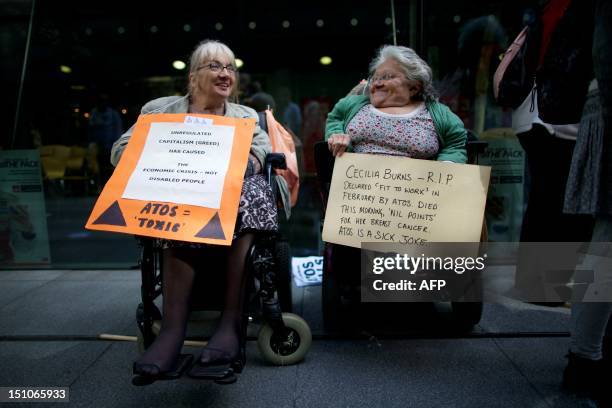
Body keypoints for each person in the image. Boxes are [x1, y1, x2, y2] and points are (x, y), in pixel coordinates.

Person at [111, 40, 282, 385]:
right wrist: (164, 159)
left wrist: (235, 166)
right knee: (182, 200)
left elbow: (263, 154)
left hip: (232, 199)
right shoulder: (160, 110)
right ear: (193, 77)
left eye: (230, 68)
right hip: (181, 197)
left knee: (252, 191)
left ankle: (231, 323)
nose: (225, 74)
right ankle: (173, 330)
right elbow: (120, 150)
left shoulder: (245, 116)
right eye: (215, 67)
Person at [326, 45, 467, 163]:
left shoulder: (437, 113)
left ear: (414, 87)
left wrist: (447, 167)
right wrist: (337, 135)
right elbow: (336, 118)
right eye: (375, 78)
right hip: (359, 189)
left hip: (414, 193)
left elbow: (455, 143)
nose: (377, 83)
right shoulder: (353, 104)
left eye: (388, 77)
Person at [88, 94, 123, 181]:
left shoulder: (113, 114)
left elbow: (118, 130)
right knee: (100, 168)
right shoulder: (94, 113)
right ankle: (101, 186)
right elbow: (90, 129)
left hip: (111, 146)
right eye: (100, 102)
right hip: (98, 146)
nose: (102, 104)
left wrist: (116, 145)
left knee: (111, 167)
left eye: (104, 102)